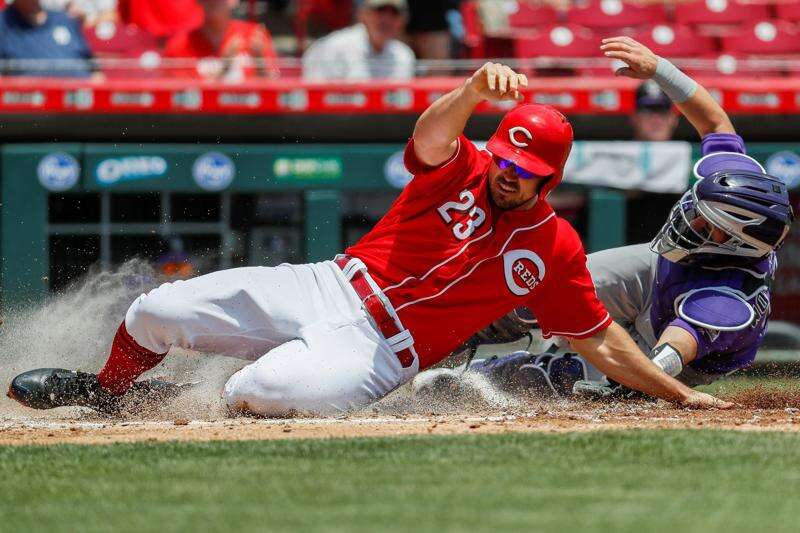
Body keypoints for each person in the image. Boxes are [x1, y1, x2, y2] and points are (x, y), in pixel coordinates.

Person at [8, 56, 729, 417]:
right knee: (153, 311)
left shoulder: (554, 246)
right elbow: (430, 134)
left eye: (527, 170)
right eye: (508, 159)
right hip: (328, 281)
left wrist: (678, 393)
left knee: (261, 389)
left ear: (551, 175)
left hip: (383, 349)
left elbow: (599, 338)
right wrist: (474, 92)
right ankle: (109, 393)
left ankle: (185, 399)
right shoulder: (462, 164)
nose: (511, 174)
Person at [413, 37, 794, 401]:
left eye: (707, 226)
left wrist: (631, 382)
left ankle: (483, 379)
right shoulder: (736, 182)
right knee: (539, 291)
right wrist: (659, 68)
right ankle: (436, 339)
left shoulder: (726, 300)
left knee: (569, 378)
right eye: (699, 213)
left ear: (738, 244)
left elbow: (673, 350)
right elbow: (714, 123)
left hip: (675, 342)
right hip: (659, 270)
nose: (691, 221)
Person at [163, 0, 278, 82]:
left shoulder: (255, 35)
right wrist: (223, 69)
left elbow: (276, 91)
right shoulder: (179, 44)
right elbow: (183, 100)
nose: (213, 2)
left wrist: (260, 65)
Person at [302, 0, 415, 81]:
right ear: (363, 14)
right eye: (380, 11)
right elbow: (316, 94)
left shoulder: (404, 55)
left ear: (402, 21)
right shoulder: (335, 46)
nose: (386, 20)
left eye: (394, 13)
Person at [0, 0, 94, 77]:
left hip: (80, 95)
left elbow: (94, 72)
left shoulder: (65, 20)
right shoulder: (4, 24)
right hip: (28, 97)